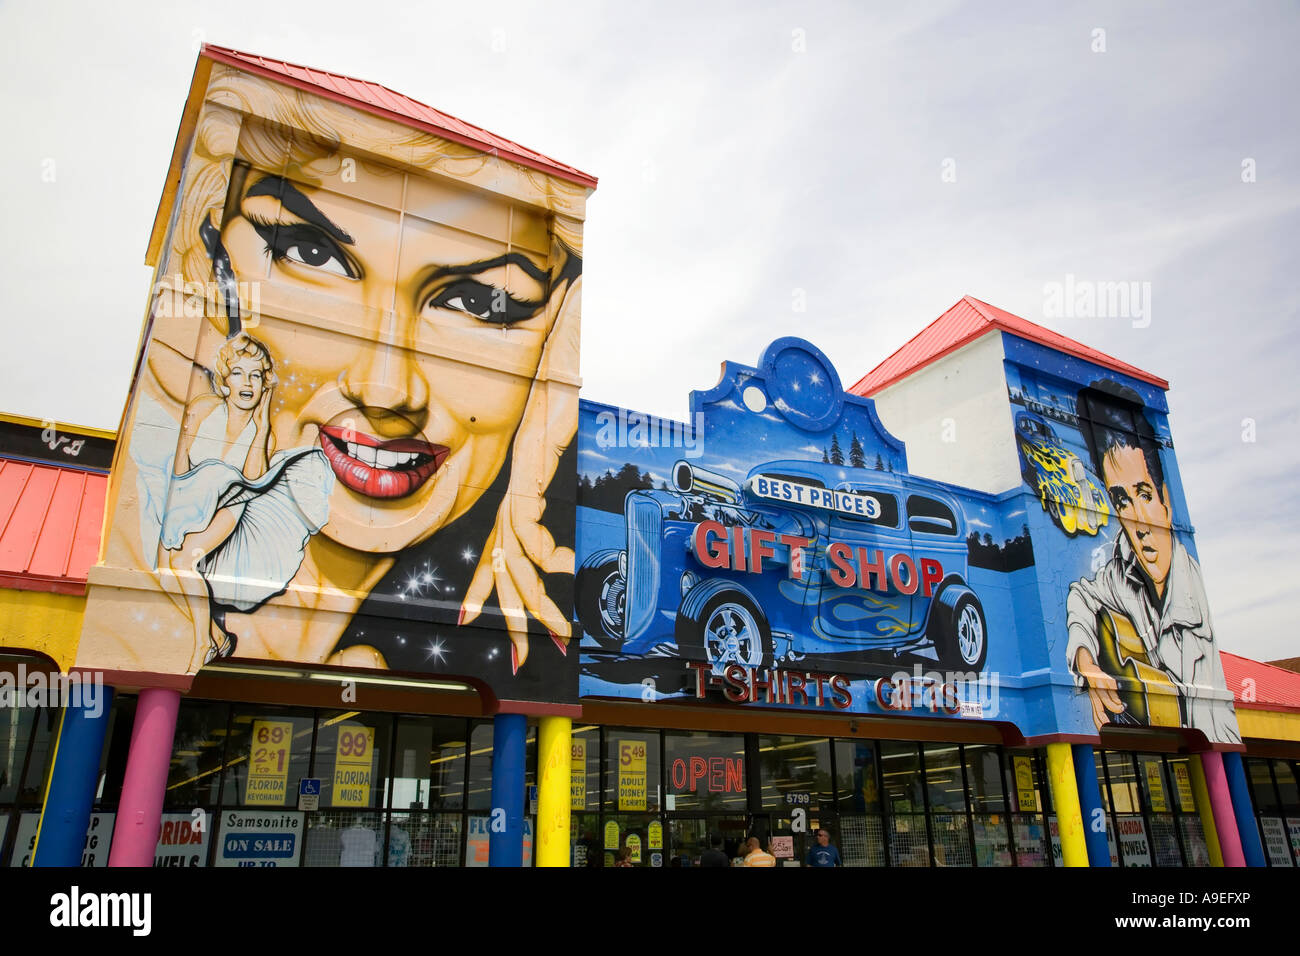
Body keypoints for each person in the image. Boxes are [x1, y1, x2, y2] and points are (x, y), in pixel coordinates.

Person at [112, 67, 587, 676]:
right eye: (312, 254)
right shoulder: (174, 540)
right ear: (210, 256)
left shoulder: (512, 625)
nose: (386, 386)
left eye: (475, 301)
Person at [1065, 383, 1240, 744]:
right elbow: (1082, 595)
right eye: (1122, 501)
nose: (1139, 522)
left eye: (1143, 495)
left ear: (1165, 500)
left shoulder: (1193, 604)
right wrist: (1086, 663)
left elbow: (1216, 730)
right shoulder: (1121, 571)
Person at [151, 331, 333, 667]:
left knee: (184, 562)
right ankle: (217, 635)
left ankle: (202, 641)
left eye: (255, 375)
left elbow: (253, 479)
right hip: (190, 498)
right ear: (224, 380)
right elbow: (180, 463)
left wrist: (262, 420)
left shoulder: (260, 430)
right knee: (161, 567)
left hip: (231, 507)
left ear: (265, 384)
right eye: (238, 373)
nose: (246, 382)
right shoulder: (204, 409)